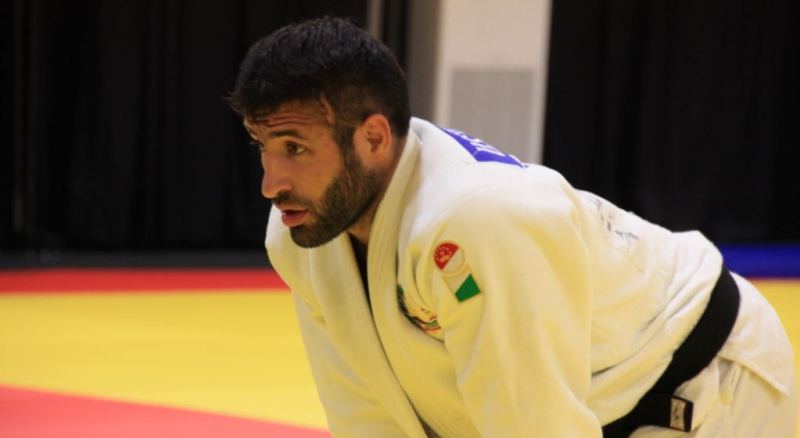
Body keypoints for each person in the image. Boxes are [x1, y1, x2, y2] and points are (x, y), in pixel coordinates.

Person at [227, 17, 797, 437]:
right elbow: (366, 412)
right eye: (262, 147)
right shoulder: (304, 233)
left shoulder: (475, 221)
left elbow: (535, 425)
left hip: (707, 384)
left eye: (295, 148)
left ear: (373, 138)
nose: (271, 184)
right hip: (602, 400)